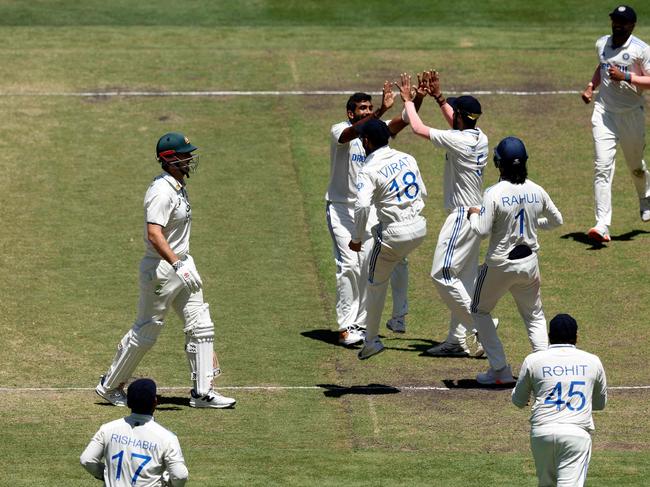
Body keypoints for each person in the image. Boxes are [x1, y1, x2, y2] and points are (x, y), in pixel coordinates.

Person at [95, 132, 235, 409]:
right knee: (147, 331)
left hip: (182, 264)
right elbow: (154, 234)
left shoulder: (177, 185)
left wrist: (183, 263)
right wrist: (177, 264)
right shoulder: (160, 192)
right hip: (162, 269)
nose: (190, 158)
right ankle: (109, 386)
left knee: (200, 326)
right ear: (170, 159)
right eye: (185, 154)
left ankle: (203, 392)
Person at [400, 71, 494, 358]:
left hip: (462, 217)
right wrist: (439, 97)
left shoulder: (459, 141)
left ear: (461, 118)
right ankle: (457, 340)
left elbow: (417, 128)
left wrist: (408, 101)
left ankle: (481, 328)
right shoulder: (479, 136)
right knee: (463, 280)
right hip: (476, 217)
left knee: (441, 274)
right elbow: (454, 120)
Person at [326, 82, 424, 346]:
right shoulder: (340, 131)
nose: (366, 111)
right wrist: (380, 109)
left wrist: (416, 101)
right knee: (349, 264)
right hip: (341, 208)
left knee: (368, 265)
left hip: (367, 209)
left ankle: (361, 323)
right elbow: (352, 133)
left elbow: (400, 123)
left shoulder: (373, 136)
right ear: (350, 112)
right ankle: (346, 327)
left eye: (369, 107)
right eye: (362, 108)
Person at [468, 136, 563, 384]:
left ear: (498, 163)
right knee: (534, 316)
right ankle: (544, 371)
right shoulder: (536, 190)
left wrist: (472, 215)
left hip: (499, 265)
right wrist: (534, 224)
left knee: (479, 310)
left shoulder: (494, 193)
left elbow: (481, 230)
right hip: (529, 264)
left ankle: (499, 369)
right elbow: (557, 221)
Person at [349, 119, 428, 360]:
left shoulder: (368, 169)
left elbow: (362, 206)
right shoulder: (408, 158)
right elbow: (422, 191)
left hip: (393, 233)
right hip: (419, 228)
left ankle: (371, 340)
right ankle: (398, 318)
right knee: (399, 262)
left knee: (375, 284)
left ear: (366, 141)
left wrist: (357, 238)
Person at [512, 314, 608, 487]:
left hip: (542, 434)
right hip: (576, 434)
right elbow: (600, 404)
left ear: (549, 336)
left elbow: (518, 401)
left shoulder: (533, 360)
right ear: (576, 337)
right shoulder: (593, 361)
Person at [581, 5, 650, 243]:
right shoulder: (602, 43)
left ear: (632, 25)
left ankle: (645, 197)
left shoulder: (641, 50)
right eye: (614, 21)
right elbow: (601, 67)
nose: (617, 25)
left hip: (631, 114)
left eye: (622, 22)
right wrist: (592, 86)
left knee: (636, 167)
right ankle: (602, 224)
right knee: (602, 167)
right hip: (604, 113)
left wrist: (627, 77)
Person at [81, 378, 189, 487]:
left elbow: (87, 460)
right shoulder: (166, 438)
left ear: (128, 403)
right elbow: (180, 476)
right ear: (155, 402)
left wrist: (105, 475)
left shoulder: (107, 429)